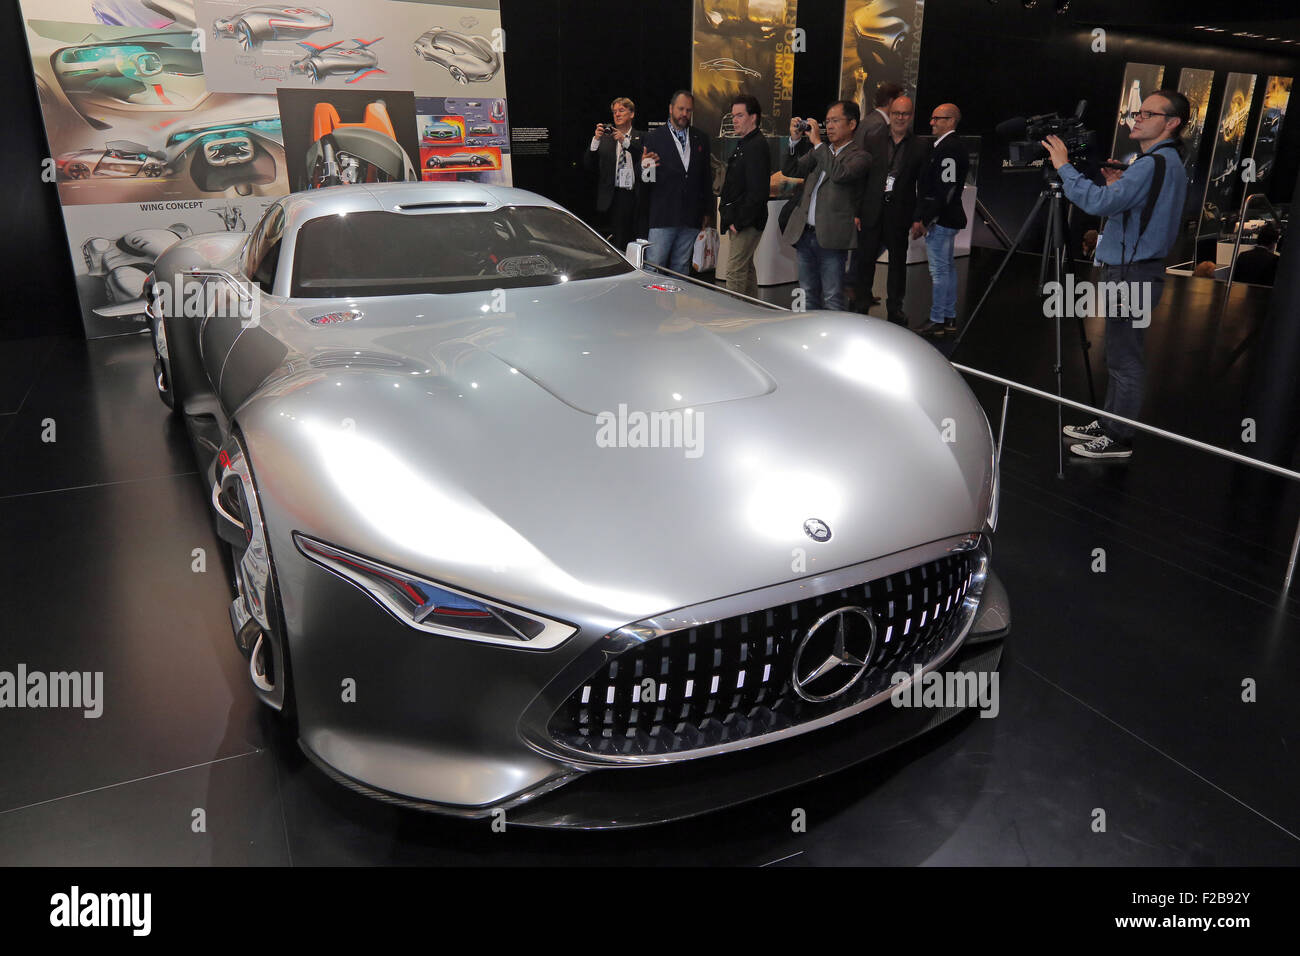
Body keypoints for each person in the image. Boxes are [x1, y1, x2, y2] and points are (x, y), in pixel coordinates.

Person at [1046, 89, 1190, 461]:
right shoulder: (1164, 163)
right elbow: (1136, 211)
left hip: (1132, 274)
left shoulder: (1151, 164)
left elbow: (1096, 203)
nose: (1137, 119)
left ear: (1171, 123)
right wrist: (1115, 187)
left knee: (1125, 359)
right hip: (1134, 270)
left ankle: (1119, 437)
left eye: (1148, 114)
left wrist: (1064, 166)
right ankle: (1111, 422)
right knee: (1118, 355)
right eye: (1137, 112)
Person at [782, 101, 871, 311]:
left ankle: (833, 341)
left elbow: (840, 174)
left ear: (852, 124)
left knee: (832, 296)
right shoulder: (820, 152)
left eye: (835, 121)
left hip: (831, 239)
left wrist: (818, 144)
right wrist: (794, 141)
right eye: (827, 121)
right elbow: (792, 169)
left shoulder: (860, 156)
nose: (829, 126)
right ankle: (808, 336)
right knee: (806, 292)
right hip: (805, 235)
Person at [856, 95, 929, 325]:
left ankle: (895, 308)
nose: (900, 117)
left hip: (900, 213)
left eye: (905, 113)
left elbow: (923, 185)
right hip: (871, 210)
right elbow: (862, 178)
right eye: (896, 113)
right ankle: (861, 302)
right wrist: (857, 211)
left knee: (898, 264)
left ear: (911, 116)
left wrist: (919, 217)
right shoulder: (873, 138)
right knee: (865, 259)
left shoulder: (920, 146)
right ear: (890, 114)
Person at [640, 91, 714, 275]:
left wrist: (707, 211)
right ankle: (651, 304)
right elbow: (646, 181)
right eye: (681, 109)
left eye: (689, 110)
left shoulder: (701, 138)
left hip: (691, 217)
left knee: (681, 268)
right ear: (671, 109)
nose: (684, 114)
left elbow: (706, 177)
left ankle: (676, 304)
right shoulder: (654, 137)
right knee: (654, 266)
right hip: (663, 216)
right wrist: (644, 167)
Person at [914, 102, 968, 336]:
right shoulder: (949, 146)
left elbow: (945, 189)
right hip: (946, 217)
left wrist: (926, 219)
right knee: (946, 269)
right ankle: (948, 317)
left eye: (937, 118)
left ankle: (938, 318)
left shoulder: (949, 148)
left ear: (951, 121)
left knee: (940, 271)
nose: (932, 122)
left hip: (941, 219)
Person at [719, 94, 770, 298]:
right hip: (742, 220)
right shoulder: (746, 143)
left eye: (740, 115)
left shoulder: (756, 145)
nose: (735, 120)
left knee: (735, 272)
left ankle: (735, 320)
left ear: (753, 117)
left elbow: (757, 192)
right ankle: (752, 315)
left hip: (747, 223)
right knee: (746, 269)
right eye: (733, 116)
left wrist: (738, 223)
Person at [584, 96, 643, 252]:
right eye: (614, 111)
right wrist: (596, 139)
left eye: (621, 110)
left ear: (632, 114)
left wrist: (625, 141)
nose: (617, 114)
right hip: (612, 196)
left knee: (632, 241)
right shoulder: (605, 139)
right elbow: (589, 165)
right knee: (614, 243)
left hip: (633, 196)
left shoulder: (642, 137)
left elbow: (644, 159)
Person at [854, 81, 903, 150]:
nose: (901, 106)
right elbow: (877, 157)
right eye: (899, 101)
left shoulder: (869, 119)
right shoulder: (879, 125)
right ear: (891, 101)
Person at [1233, 222, 1280, 286]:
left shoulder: (1243, 255)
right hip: (1262, 294)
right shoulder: (1274, 259)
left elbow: (1235, 279)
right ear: (1273, 243)